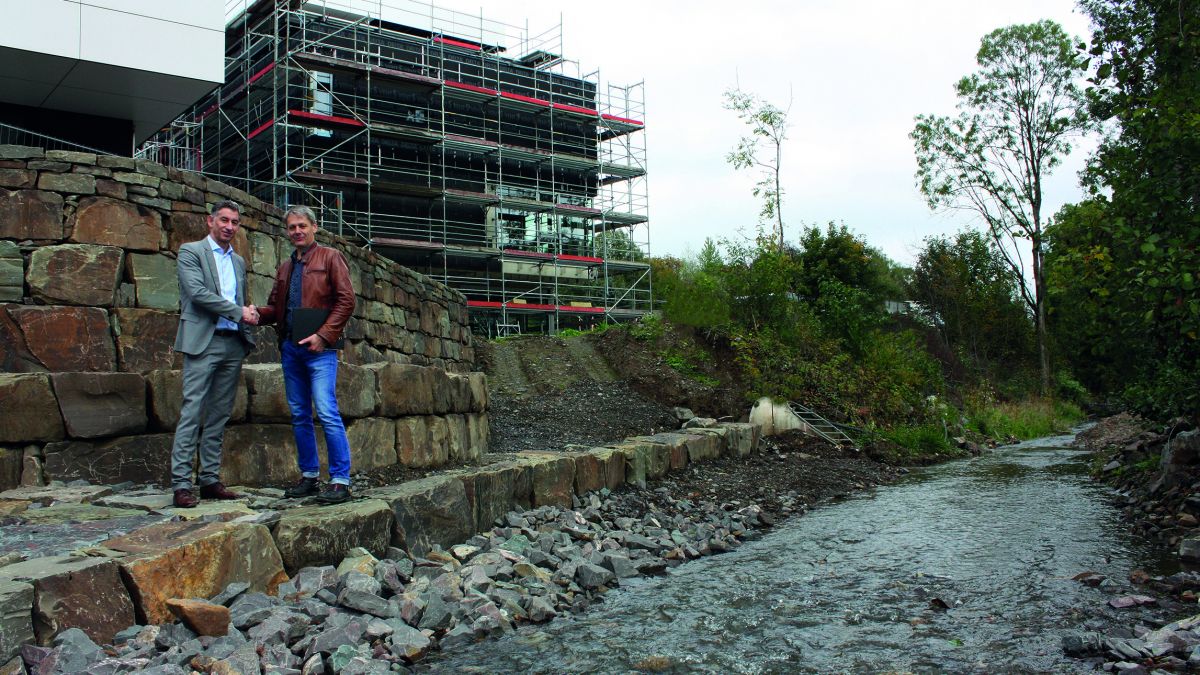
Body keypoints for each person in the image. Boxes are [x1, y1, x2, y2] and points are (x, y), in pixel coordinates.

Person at [257, 205, 356, 504]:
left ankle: (340, 480)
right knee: (300, 414)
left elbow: (347, 300)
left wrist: (324, 335)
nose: (297, 231)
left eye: (302, 226)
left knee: (326, 410)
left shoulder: (330, 257)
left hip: (320, 349)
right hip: (290, 348)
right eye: (292, 227)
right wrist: (254, 314)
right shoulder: (285, 268)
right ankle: (309, 477)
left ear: (314, 227)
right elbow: (275, 309)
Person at [170, 200, 258, 508]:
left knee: (219, 414)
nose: (229, 227)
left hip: (232, 342)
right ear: (210, 221)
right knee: (192, 411)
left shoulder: (238, 262)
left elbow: (239, 299)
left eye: (234, 222)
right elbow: (198, 294)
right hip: (202, 341)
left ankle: (209, 479)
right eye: (224, 220)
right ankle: (181, 484)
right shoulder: (191, 252)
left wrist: (248, 313)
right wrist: (239, 312)